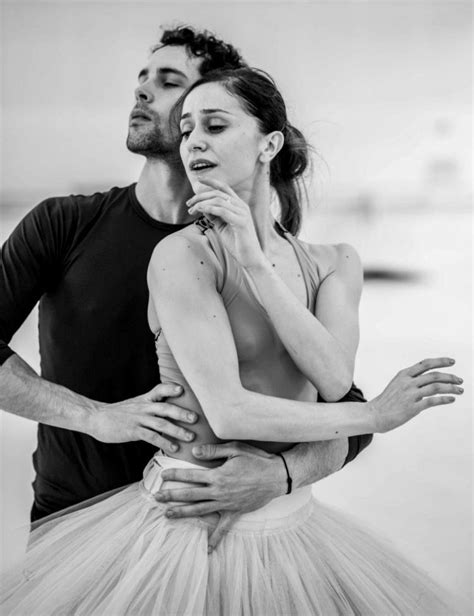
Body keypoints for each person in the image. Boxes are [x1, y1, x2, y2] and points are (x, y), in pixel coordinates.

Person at [1, 67, 463, 616]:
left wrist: (255, 261)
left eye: (213, 125)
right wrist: (379, 417)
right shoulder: (175, 253)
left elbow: (337, 382)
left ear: (270, 143)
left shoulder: (334, 260)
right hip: (176, 518)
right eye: (188, 128)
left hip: (293, 518)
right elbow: (229, 412)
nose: (192, 139)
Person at [0, 26, 371, 528]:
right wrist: (93, 416)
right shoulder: (63, 224)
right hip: (74, 521)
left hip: (220, 526)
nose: (143, 90)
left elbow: (343, 407)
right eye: (143, 79)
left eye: (169, 80)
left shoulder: (275, 257)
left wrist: (282, 474)